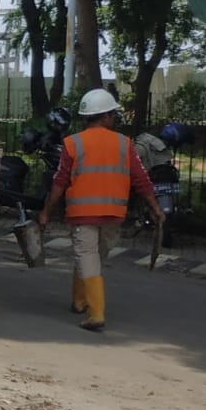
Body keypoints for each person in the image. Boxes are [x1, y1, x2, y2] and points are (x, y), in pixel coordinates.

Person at [38, 87, 162, 332]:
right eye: (113, 114)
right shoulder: (124, 144)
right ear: (105, 116)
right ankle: (93, 311)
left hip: (82, 214)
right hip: (113, 214)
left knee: (88, 258)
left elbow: (59, 182)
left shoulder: (72, 143)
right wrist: (155, 207)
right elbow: (141, 179)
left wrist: (46, 212)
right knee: (92, 258)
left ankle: (82, 302)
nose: (114, 118)